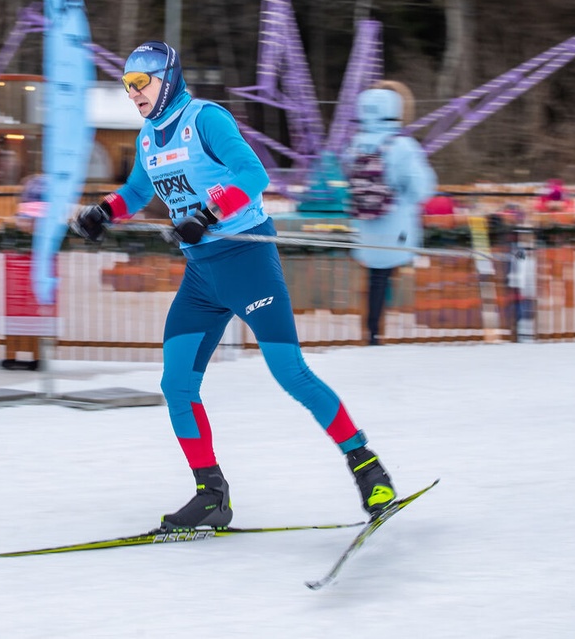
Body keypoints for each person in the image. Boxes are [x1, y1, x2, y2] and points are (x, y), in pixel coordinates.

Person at [71, 40, 397, 527]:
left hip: (246, 261)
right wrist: (105, 212)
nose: (134, 92)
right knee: (176, 384)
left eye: (142, 82)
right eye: (127, 85)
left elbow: (254, 173)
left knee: (289, 372)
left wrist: (208, 212)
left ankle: (367, 467)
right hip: (202, 275)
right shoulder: (147, 138)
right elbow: (139, 190)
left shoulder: (205, 119)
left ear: (169, 77)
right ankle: (211, 494)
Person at [343, 81, 437, 346]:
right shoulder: (403, 146)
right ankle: (379, 332)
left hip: (365, 225)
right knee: (391, 274)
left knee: (376, 277)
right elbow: (422, 188)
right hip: (397, 225)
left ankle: (372, 331)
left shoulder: (354, 146)